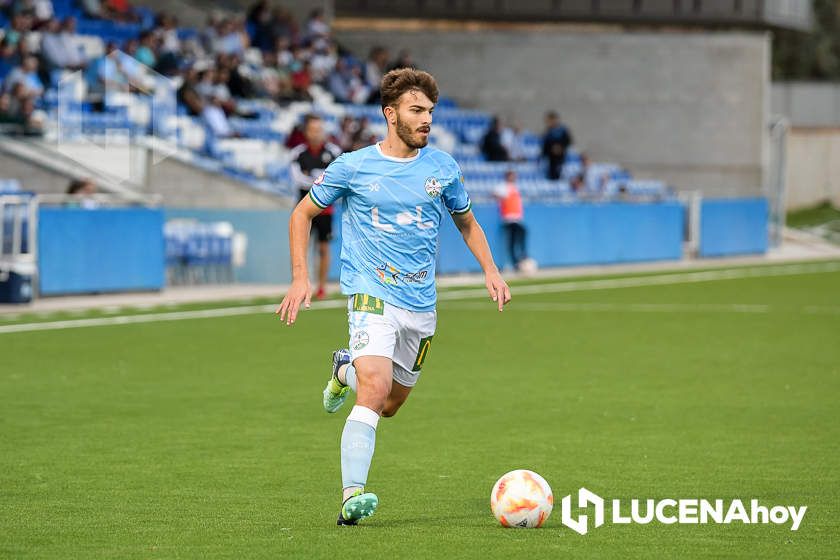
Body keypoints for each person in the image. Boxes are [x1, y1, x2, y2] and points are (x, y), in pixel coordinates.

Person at [276, 68, 510, 526]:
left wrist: (491, 270)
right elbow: (302, 213)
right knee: (375, 388)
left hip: (420, 304)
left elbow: (466, 221)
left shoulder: (443, 167)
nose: (426, 120)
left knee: (390, 405)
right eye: (416, 111)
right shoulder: (353, 166)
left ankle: (342, 368)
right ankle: (351, 497)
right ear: (391, 114)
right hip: (370, 293)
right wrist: (300, 276)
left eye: (430, 112)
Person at [288, 113, 343, 300]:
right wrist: (320, 181)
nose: (316, 133)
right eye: (312, 129)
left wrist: (314, 180)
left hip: (326, 210)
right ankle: (299, 284)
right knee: (300, 248)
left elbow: (336, 178)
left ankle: (321, 286)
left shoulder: (333, 152)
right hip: (303, 210)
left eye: (319, 129)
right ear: (306, 132)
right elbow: (298, 179)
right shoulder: (298, 153)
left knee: (323, 248)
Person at [493, 170, 527, 269]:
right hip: (508, 218)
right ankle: (517, 260)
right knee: (513, 239)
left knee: (520, 235)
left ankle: (521, 257)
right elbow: (495, 194)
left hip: (517, 218)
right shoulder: (503, 186)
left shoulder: (515, 187)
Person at [542, 110, 572, 180]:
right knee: (551, 174)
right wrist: (550, 150)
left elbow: (568, 141)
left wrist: (560, 148)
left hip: (561, 157)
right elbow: (545, 145)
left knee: (560, 173)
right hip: (551, 158)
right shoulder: (548, 131)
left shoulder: (563, 130)